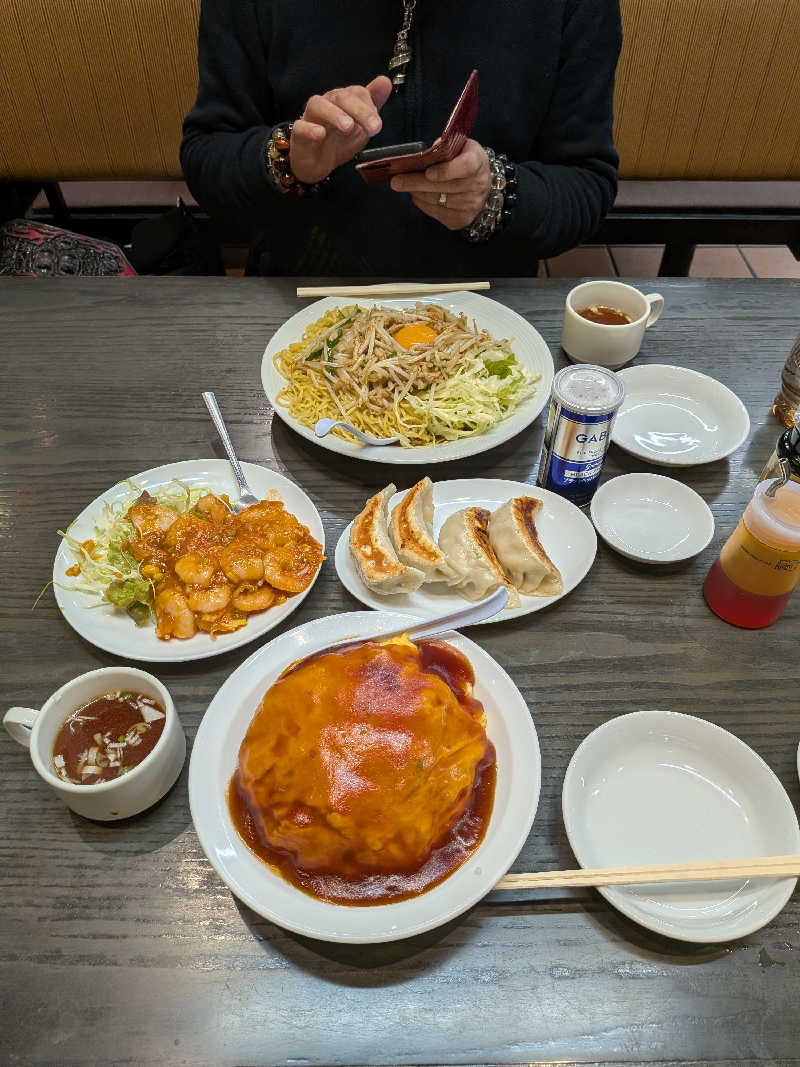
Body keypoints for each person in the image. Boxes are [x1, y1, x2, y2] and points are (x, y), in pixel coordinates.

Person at [181, 0, 622, 277]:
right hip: (300, 299)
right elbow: (207, 156)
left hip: (487, 311)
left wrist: (496, 197)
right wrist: (287, 160)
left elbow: (586, 182)